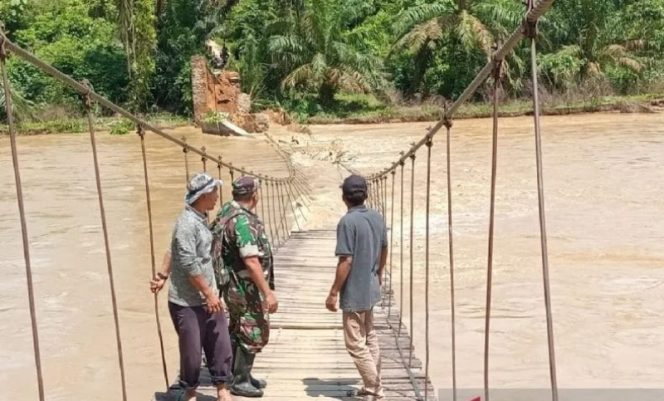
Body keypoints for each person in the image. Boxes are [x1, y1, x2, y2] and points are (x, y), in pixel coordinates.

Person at [150, 172, 232, 401]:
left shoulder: (201, 217)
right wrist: (208, 293)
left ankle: (222, 388)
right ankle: (190, 393)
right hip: (187, 301)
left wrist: (162, 274)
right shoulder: (187, 223)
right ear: (205, 195)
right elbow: (187, 261)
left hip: (209, 297)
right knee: (192, 353)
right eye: (215, 191)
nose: (217, 196)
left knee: (220, 344)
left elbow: (172, 248)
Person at [210, 176, 278, 398]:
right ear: (254, 195)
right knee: (254, 329)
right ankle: (240, 380)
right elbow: (250, 260)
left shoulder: (227, 210)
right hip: (244, 286)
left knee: (239, 327)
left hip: (232, 285)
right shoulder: (242, 221)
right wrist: (267, 293)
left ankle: (239, 374)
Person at [326, 174, 388, 401]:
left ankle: (375, 388)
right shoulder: (377, 217)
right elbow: (384, 249)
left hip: (354, 291)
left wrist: (333, 292)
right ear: (366, 195)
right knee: (369, 335)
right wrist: (379, 273)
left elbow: (346, 261)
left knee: (355, 343)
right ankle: (371, 385)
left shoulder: (347, 222)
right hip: (371, 286)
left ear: (344, 198)